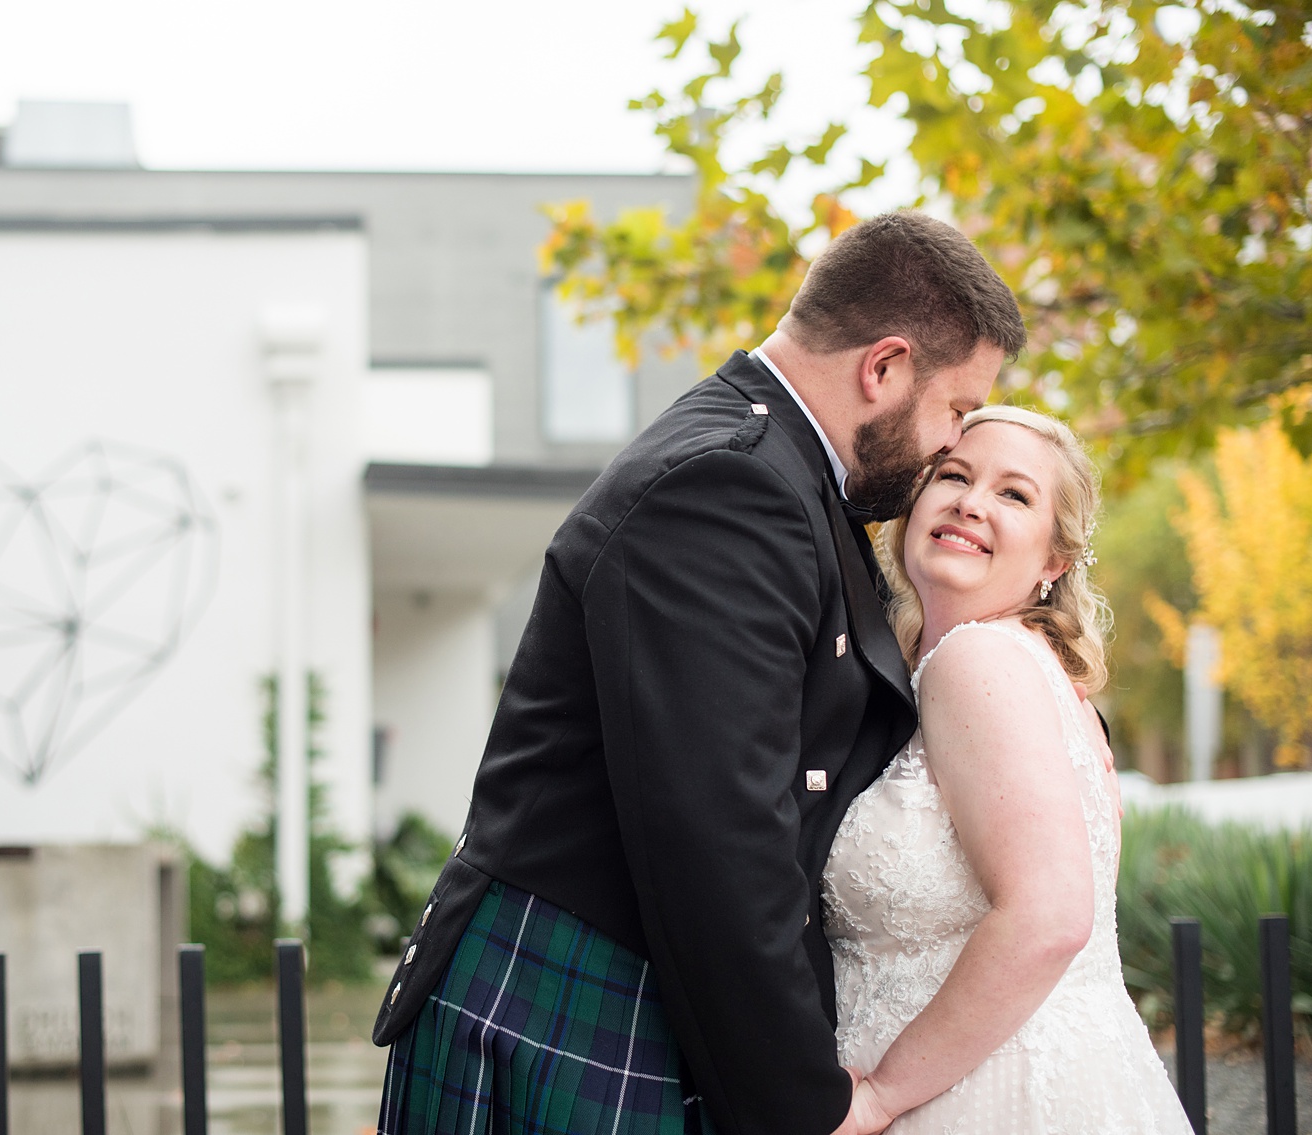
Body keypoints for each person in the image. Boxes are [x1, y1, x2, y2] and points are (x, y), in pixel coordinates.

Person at [373, 210, 1026, 1135]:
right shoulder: (730, 486)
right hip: (582, 982)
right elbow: (720, 835)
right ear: (883, 368)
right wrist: (801, 1106)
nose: (950, 446)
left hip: (641, 979)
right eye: (956, 409)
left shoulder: (781, 473)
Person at [827, 405, 1192, 1133]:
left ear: (1055, 560)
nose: (970, 501)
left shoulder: (976, 660)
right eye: (954, 475)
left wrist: (883, 1095)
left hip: (985, 1093)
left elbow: (1051, 915)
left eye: (1013, 494)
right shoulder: (1035, 675)